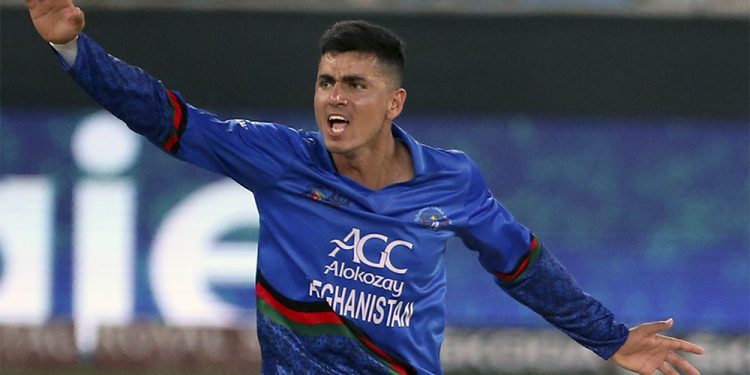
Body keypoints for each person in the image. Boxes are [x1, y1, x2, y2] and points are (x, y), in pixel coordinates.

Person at [27, 1, 705, 374]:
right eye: (326, 82)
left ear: (395, 102)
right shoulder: (281, 160)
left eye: (356, 84)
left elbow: (522, 263)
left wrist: (610, 337)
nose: (334, 98)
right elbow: (169, 117)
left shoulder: (453, 180)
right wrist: (74, 52)